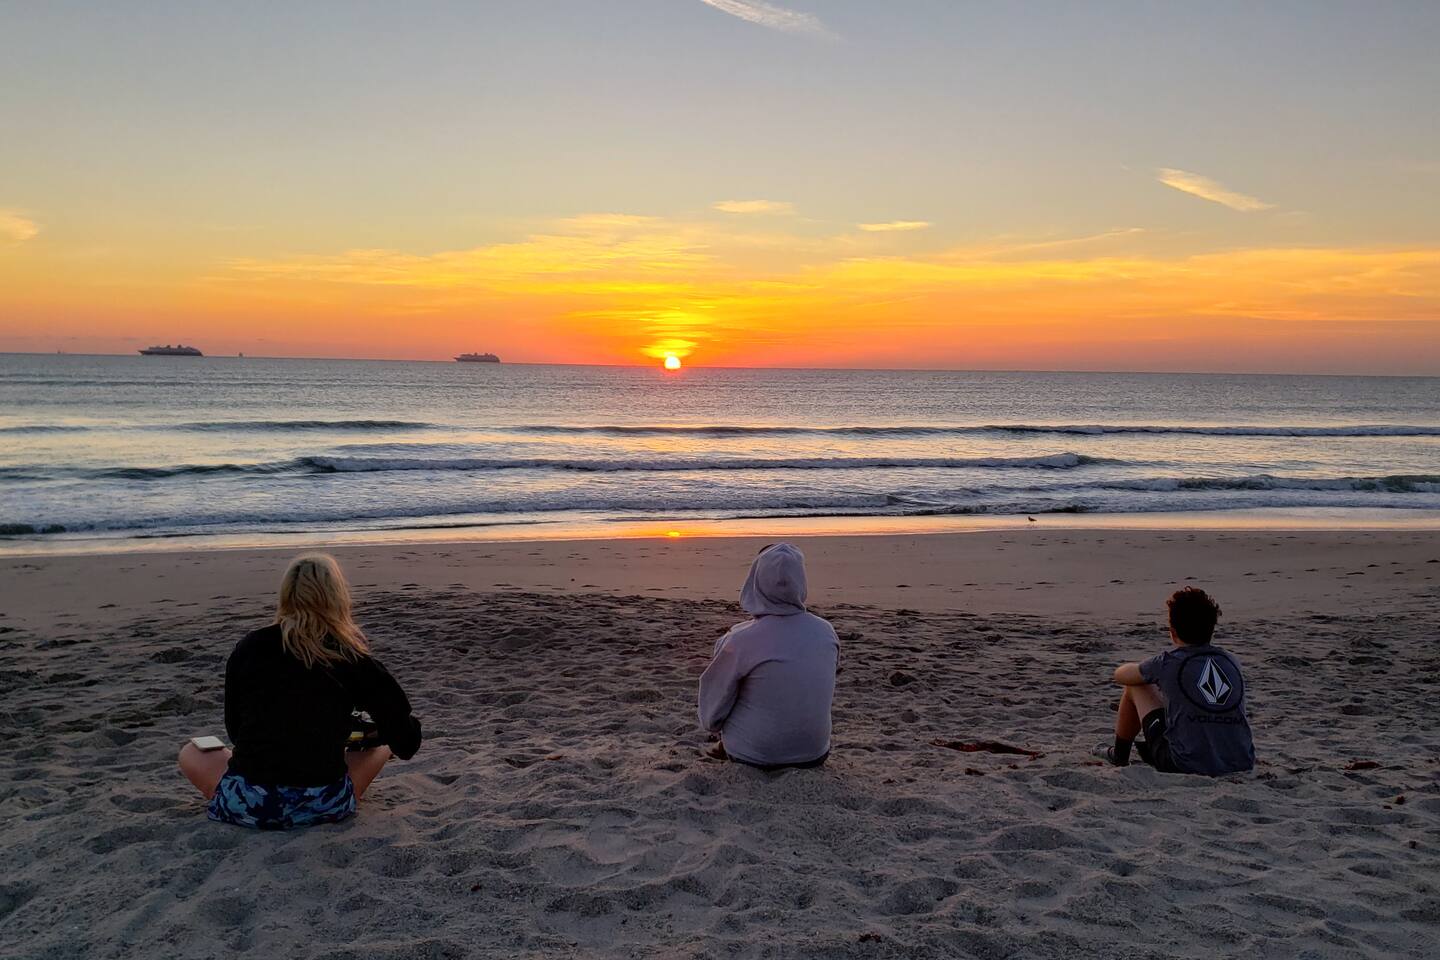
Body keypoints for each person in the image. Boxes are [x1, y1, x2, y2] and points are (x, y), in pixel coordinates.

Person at [177, 554, 422, 828]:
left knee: (192, 751)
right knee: (382, 746)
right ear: (338, 597)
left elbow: (236, 731)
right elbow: (407, 743)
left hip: (249, 805)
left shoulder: (250, 647)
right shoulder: (352, 658)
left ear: (285, 596)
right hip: (324, 805)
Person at [698, 543, 839, 770]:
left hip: (756, 756)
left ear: (755, 582)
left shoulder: (739, 639)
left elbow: (711, 714)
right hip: (815, 753)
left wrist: (716, 726)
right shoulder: (825, 631)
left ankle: (731, 746)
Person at [1101, 586, 1254, 775]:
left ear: (1172, 632)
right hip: (1240, 763)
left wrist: (1144, 670)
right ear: (1211, 630)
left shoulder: (1168, 662)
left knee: (1135, 687)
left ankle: (1119, 755)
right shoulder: (1231, 661)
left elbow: (1122, 675)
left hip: (1184, 764)